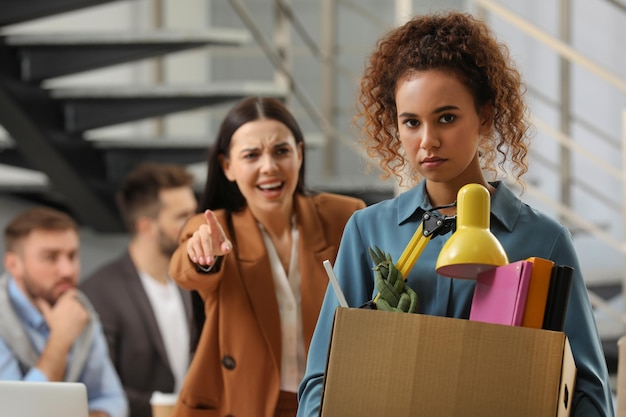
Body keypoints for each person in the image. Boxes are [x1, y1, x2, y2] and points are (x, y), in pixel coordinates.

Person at [297, 11, 614, 417]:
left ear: (484, 115)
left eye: (446, 118)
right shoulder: (367, 230)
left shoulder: (545, 240)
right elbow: (320, 383)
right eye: (411, 122)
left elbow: (587, 393)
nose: (427, 141)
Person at [167, 96, 366, 417]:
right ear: (227, 166)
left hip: (328, 403)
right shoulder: (214, 228)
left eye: (281, 151)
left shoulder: (344, 216)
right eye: (251, 155)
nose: (269, 167)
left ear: (300, 154)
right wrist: (203, 254)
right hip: (243, 405)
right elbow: (184, 268)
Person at [81, 162, 200, 417]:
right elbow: (98, 387)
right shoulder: (99, 292)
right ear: (146, 226)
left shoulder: (192, 283)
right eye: (182, 217)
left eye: (194, 213)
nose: (195, 226)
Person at [0, 206, 128, 417]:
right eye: (51, 257)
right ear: (14, 264)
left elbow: (112, 399)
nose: (68, 270)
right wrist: (60, 341)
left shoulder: (78, 308)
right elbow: (15, 413)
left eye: (72, 255)